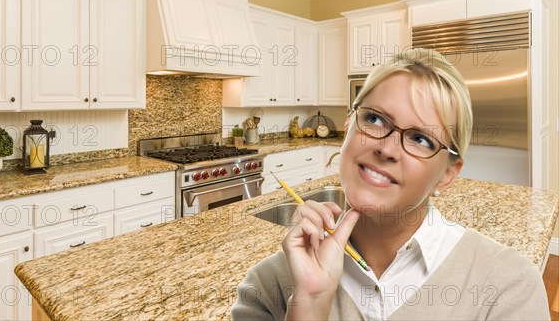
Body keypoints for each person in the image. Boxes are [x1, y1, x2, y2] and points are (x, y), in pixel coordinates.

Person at [231, 48, 549, 320]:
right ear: (348, 126)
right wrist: (310, 306)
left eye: (420, 138)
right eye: (375, 119)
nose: (386, 148)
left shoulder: (509, 287)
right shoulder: (268, 287)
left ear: (447, 174)